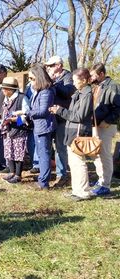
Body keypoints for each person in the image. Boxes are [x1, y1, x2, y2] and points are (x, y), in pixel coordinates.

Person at [49, 68, 93, 201]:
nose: (73, 83)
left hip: (79, 132)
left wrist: (60, 111)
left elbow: (79, 116)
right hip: (71, 131)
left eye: (75, 81)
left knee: (79, 163)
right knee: (73, 163)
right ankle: (76, 190)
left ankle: (83, 192)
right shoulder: (78, 92)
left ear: (84, 80)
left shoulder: (87, 94)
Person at [19, 64, 56, 190]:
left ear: (39, 77)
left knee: (44, 154)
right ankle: (42, 179)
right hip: (38, 126)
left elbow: (43, 111)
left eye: (32, 78)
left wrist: (25, 113)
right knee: (41, 154)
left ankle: (43, 182)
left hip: (44, 127)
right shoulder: (39, 91)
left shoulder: (46, 91)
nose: (30, 81)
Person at [89, 63, 120, 196]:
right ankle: (101, 180)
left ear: (101, 74)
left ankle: (105, 185)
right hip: (95, 125)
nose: (91, 77)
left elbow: (118, 107)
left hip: (106, 126)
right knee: (96, 154)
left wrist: (108, 121)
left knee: (105, 155)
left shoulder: (112, 86)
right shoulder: (97, 87)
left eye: (93, 75)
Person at [45, 55, 76, 186]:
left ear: (58, 65)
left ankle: (62, 175)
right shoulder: (50, 77)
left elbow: (67, 92)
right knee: (46, 147)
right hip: (49, 117)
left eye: (51, 65)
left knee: (60, 148)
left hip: (62, 118)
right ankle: (47, 173)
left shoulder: (68, 76)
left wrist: (53, 83)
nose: (49, 68)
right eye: (48, 66)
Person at [0, 77, 30, 184]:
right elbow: (5, 114)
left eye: (5, 89)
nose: (3, 91)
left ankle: (18, 175)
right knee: (9, 151)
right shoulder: (6, 99)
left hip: (19, 130)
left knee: (18, 153)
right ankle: (12, 172)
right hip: (8, 131)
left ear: (11, 89)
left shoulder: (22, 98)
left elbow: (26, 118)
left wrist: (12, 120)